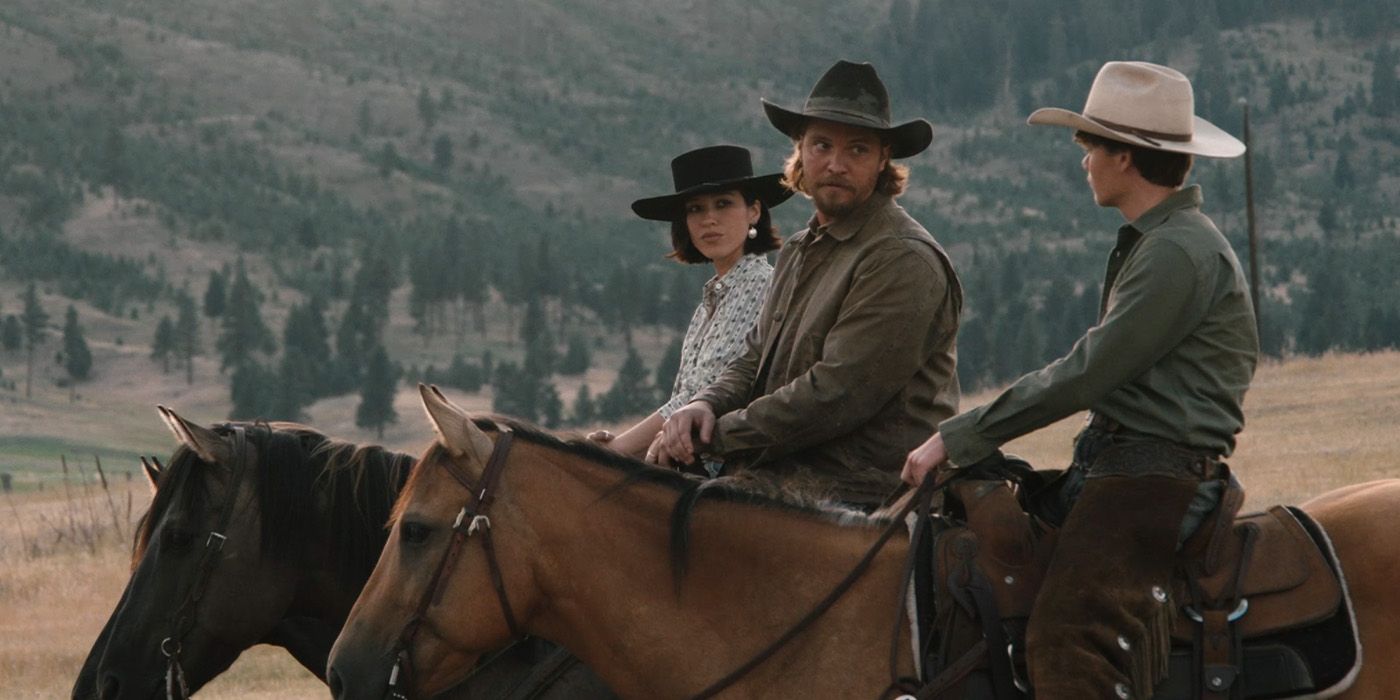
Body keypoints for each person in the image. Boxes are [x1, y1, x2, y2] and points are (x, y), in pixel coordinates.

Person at [901, 61, 1259, 699]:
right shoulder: (1160, 241)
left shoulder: (1177, 251)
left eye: (1090, 146)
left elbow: (1087, 373)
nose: (1084, 161)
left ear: (1124, 156)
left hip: (1153, 481)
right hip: (1118, 468)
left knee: (1063, 645)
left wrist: (958, 439)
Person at [657, 60, 962, 508]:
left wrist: (715, 436)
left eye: (857, 150)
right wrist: (703, 405)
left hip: (869, 494)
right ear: (800, 149)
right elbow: (755, 357)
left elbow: (838, 394)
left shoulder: (901, 257)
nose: (836, 164)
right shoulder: (800, 249)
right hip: (785, 476)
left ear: (883, 161)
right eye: (821, 145)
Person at [588, 145, 791, 463]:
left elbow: (702, 392)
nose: (709, 219)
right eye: (696, 209)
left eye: (723, 204)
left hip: (734, 472)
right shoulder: (711, 301)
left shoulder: (758, 285)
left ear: (753, 211)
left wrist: (616, 452)